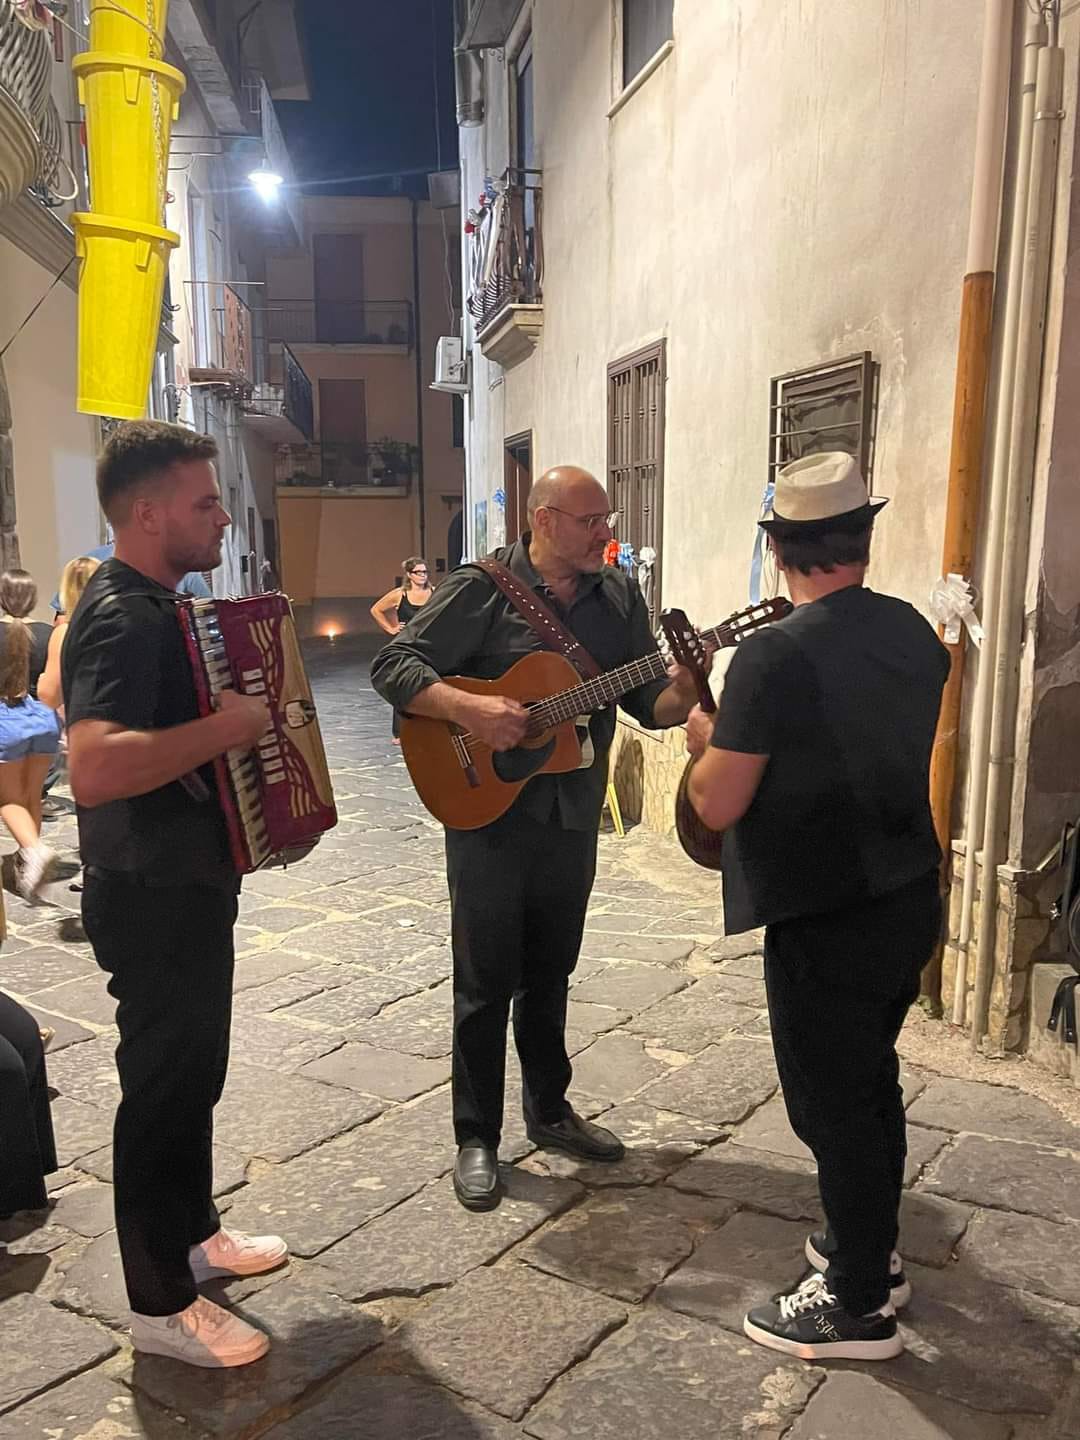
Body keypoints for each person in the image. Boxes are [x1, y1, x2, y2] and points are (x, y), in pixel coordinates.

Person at [371, 466, 700, 1211]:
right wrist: (468, 710)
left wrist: (685, 682)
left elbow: (649, 702)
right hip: (487, 813)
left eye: (607, 520)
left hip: (572, 811)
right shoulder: (480, 587)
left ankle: (550, 1112)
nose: (606, 533)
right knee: (484, 981)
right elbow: (394, 664)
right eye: (591, 522)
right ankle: (476, 1136)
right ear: (545, 521)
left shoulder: (619, 596)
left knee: (552, 971)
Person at [683, 451, 949, 1362]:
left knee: (831, 1105)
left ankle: (856, 1306)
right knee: (870, 1080)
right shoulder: (915, 632)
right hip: (908, 892)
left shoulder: (770, 657)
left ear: (780, 548)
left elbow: (718, 802)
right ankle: (867, 1247)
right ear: (861, 538)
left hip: (825, 908)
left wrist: (706, 737)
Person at [62, 419, 287, 1369]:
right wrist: (232, 728)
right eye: (203, 502)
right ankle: (158, 1306)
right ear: (147, 513)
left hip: (187, 884)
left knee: (194, 1073)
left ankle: (191, 1236)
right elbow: (95, 768)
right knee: (159, 1088)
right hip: (148, 893)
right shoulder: (118, 613)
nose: (222, 517)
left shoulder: (165, 606)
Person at [0, 570, 62, 898]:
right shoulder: (45, 633)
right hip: (43, 718)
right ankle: (29, 867)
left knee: (7, 798)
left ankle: (34, 850)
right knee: (32, 795)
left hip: (6, 720)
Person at [370, 557, 434, 742]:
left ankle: (427, 727)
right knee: (403, 683)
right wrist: (391, 628)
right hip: (406, 644)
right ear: (409, 575)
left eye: (425, 572)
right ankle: (400, 732)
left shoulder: (434, 592)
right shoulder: (400, 594)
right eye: (418, 572)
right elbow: (376, 609)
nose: (422, 575)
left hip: (428, 644)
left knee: (428, 684)